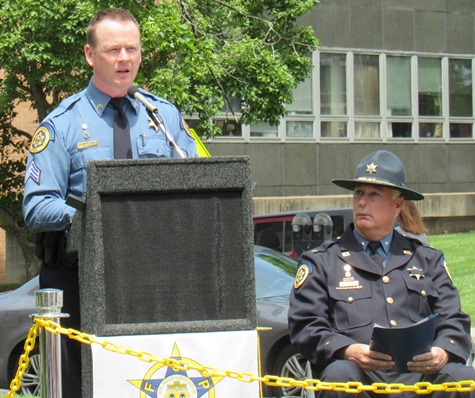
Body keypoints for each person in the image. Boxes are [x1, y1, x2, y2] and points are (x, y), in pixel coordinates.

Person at [22, 8, 197, 397]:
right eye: (113, 50)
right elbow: (35, 208)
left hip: (153, 282)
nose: (124, 59)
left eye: (132, 49)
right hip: (80, 281)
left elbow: (197, 183)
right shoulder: (61, 124)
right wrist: (101, 217)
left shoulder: (163, 117)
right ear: (90, 55)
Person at [288, 150, 475, 398]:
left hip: (421, 379)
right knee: (338, 377)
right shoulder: (323, 261)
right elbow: (306, 325)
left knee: (463, 380)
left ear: (397, 205)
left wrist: (442, 352)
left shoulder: (426, 259)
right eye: (358, 193)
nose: (362, 202)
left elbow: (454, 320)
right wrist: (348, 350)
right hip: (360, 377)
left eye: (374, 194)